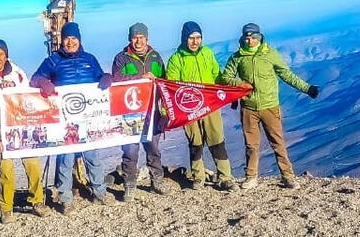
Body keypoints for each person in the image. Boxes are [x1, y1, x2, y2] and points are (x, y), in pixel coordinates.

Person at [220, 22, 320, 190]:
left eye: (253, 37)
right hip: (248, 107)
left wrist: (307, 88)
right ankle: (251, 177)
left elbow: (286, 74)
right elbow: (225, 77)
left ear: (259, 37)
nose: (250, 40)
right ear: (243, 38)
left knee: (277, 142)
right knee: (251, 145)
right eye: (247, 37)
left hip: (270, 106)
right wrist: (240, 84)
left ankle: (287, 176)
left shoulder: (270, 54)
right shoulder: (237, 57)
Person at [30, 22, 114, 214]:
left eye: (74, 38)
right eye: (67, 39)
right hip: (65, 120)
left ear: (79, 40)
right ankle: (65, 198)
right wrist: (43, 82)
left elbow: (99, 76)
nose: (70, 42)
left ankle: (99, 192)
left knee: (92, 156)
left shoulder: (89, 59)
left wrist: (106, 77)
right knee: (65, 159)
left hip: (88, 119)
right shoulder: (53, 60)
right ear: (61, 40)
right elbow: (34, 78)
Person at [0, 38, 52, 224]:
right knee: (6, 171)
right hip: (1, 135)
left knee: (33, 165)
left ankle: (37, 201)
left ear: (7, 55)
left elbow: (27, 97)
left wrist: (13, 89)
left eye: (1, 54)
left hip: (22, 130)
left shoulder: (17, 74)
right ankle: (6, 208)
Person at [165, 20, 236, 190]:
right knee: (195, 142)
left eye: (198, 38)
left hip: (210, 105)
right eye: (191, 38)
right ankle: (198, 177)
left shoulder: (207, 53)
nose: (195, 42)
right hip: (188, 108)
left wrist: (230, 92)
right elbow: (171, 84)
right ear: (184, 38)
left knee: (217, 140)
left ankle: (225, 176)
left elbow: (216, 76)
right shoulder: (176, 59)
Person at [111, 21, 166, 200]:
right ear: (130, 39)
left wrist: (165, 108)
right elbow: (116, 79)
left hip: (152, 111)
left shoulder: (156, 56)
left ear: (147, 38)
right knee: (130, 152)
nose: (138, 41)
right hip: (130, 114)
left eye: (141, 37)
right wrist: (140, 78)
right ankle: (130, 185)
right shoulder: (121, 58)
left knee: (153, 148)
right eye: (135, 38)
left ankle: (157, 180)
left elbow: (164, 81)